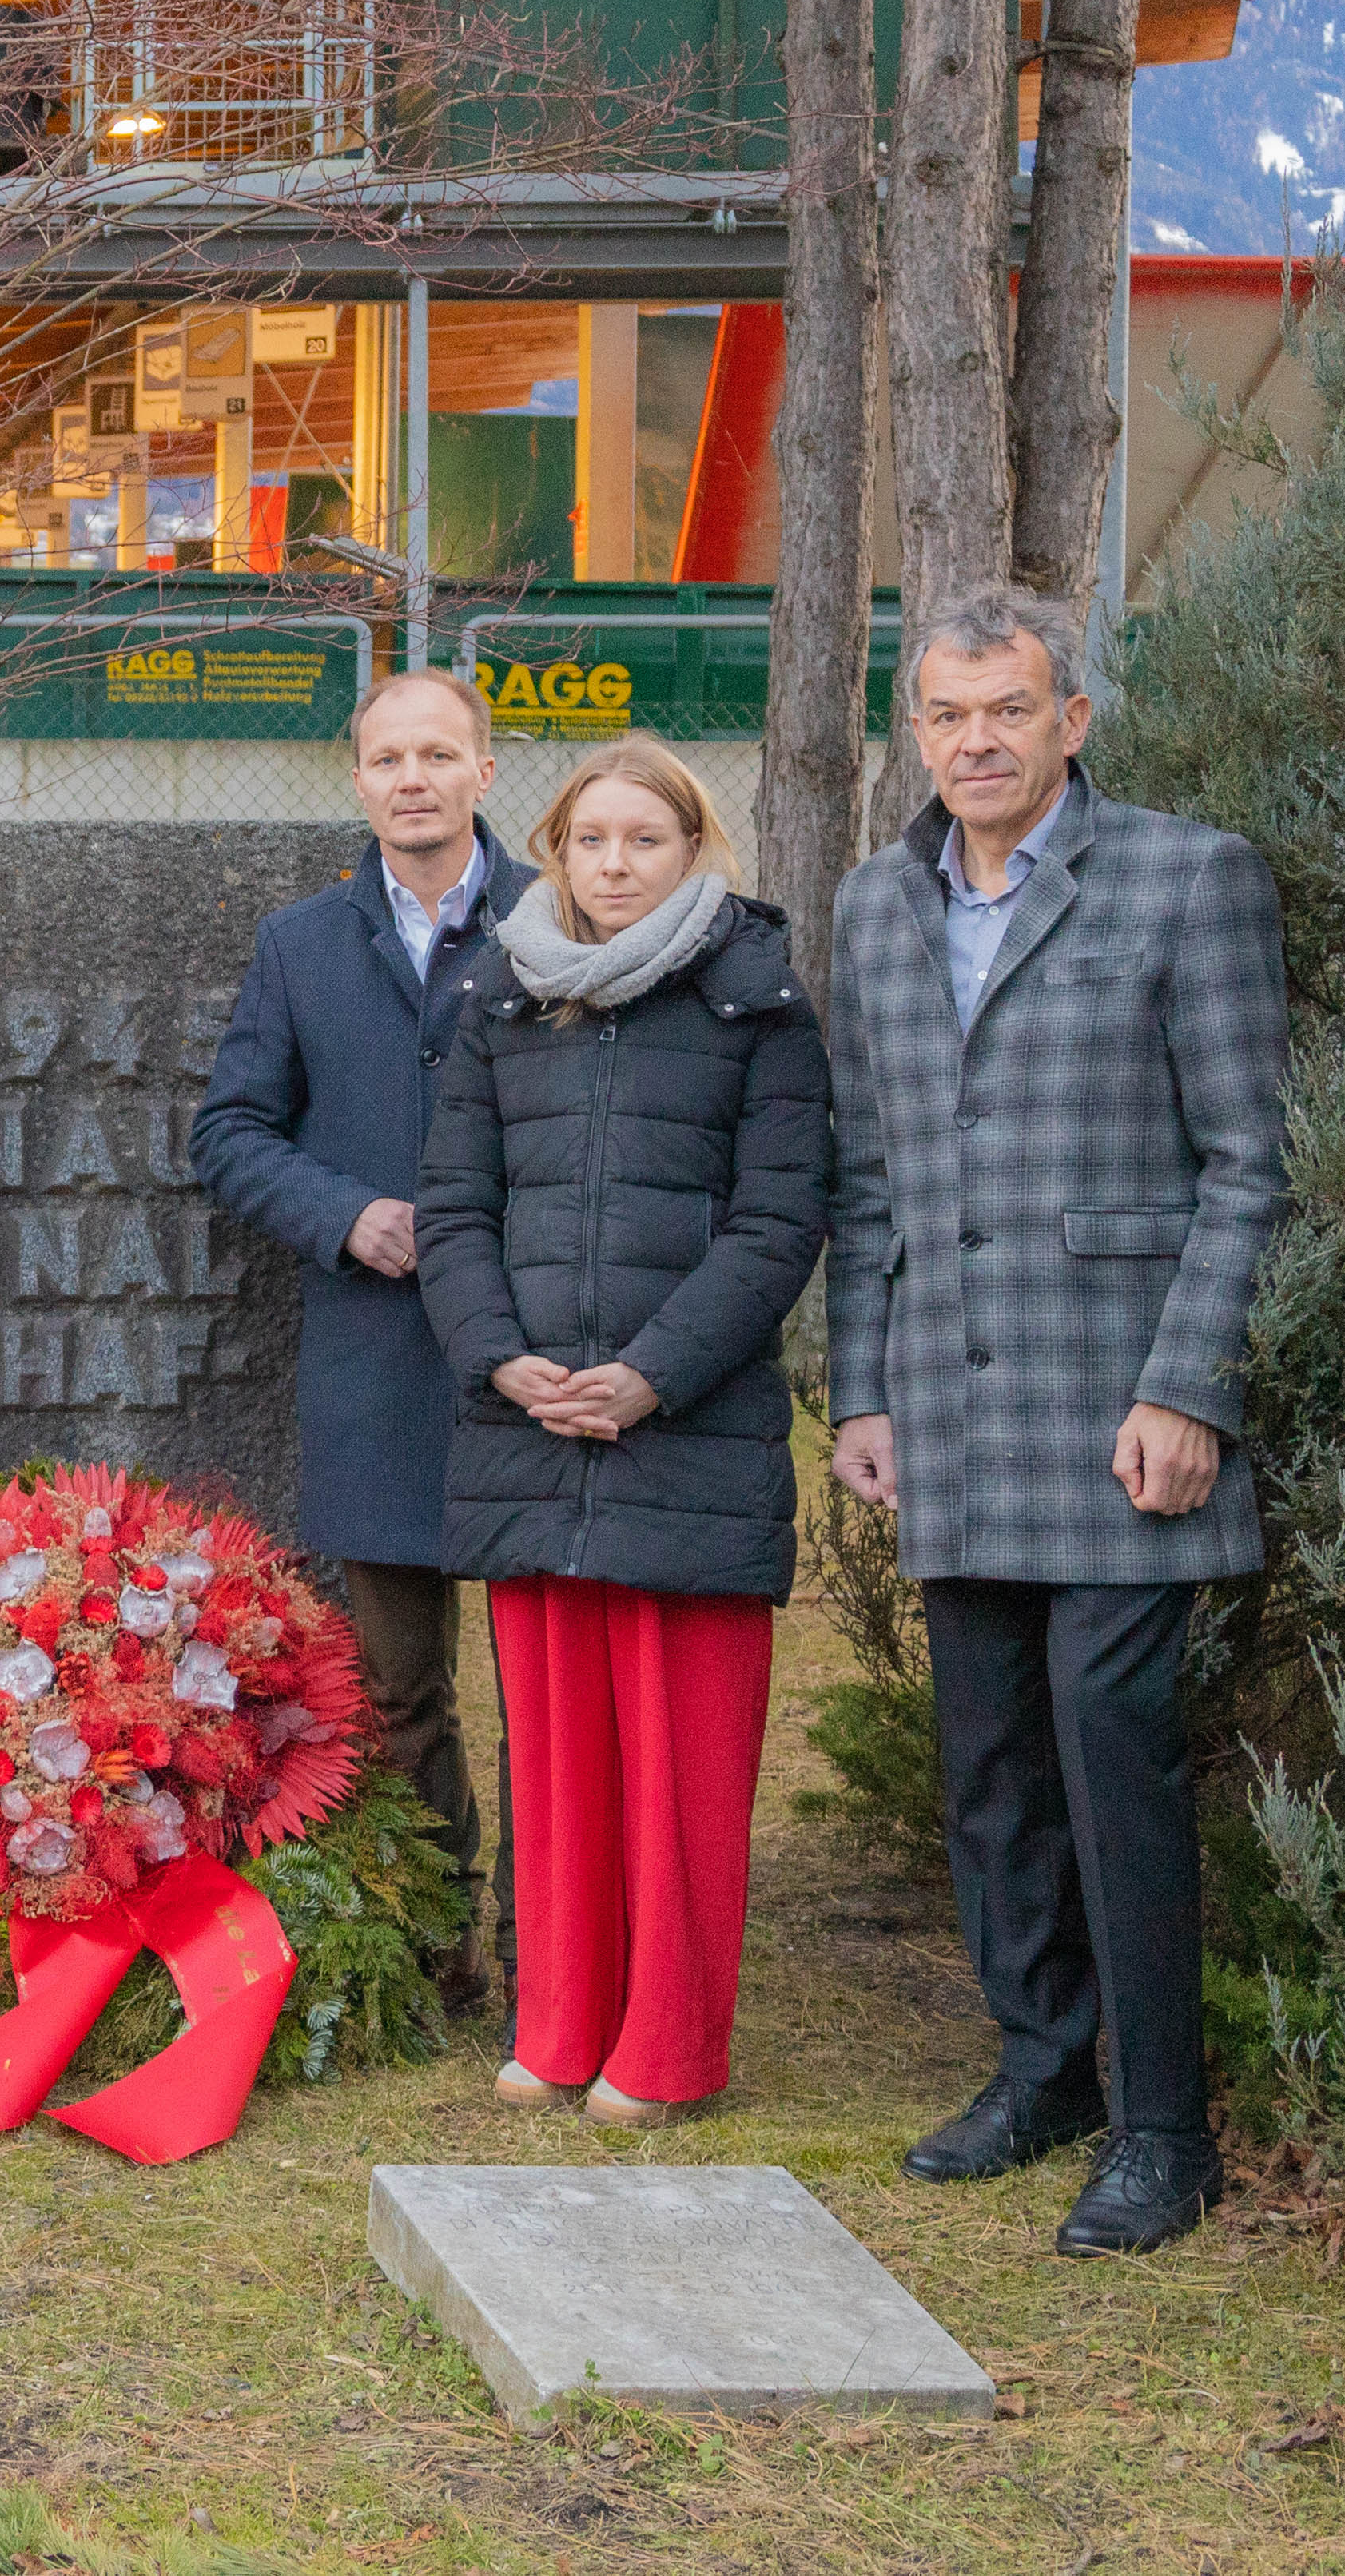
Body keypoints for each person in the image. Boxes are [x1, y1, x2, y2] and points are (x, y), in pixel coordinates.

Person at [828, 586, 1290, 2257]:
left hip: (1118, 1409)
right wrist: (860, 1387)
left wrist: (1188, 1385)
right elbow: (866, 1171)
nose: (976, 743)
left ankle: (1163, 2130)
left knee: (1112, 1764)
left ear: (1070, 720)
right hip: (950, 1400)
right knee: (993, 1773)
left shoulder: (1185, 877)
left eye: (1007, 712)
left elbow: (1250, 1159)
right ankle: (1045, 2075)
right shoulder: (874, 905)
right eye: (947, 717)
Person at [416, 737, 828, 2126]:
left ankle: (665, 2049)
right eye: (589, 839)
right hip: (531, 1427)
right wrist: (500, 1358)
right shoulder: (499, 1000)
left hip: (683, 1436)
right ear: (556, 853)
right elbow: (454, 1209)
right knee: (557, 1753)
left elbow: (779, 1225)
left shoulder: (755, 1002)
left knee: (680, 1761)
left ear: (695, 850)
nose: (612, 864)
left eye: (643, 840)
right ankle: (559, 2023)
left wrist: (653, 1374)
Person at [193, 666, 531, 2016]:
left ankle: (556, 1953)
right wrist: (347, 1217)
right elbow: (229, 1133)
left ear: (483, 773)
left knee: (558, 1700)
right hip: (378, 1366)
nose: (413, 779)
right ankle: (447, 1941)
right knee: (401, 1690)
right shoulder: (302, 945)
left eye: (438, 755)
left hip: (538, 1363)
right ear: (357, 780)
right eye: (388, 758)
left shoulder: (560, 920)